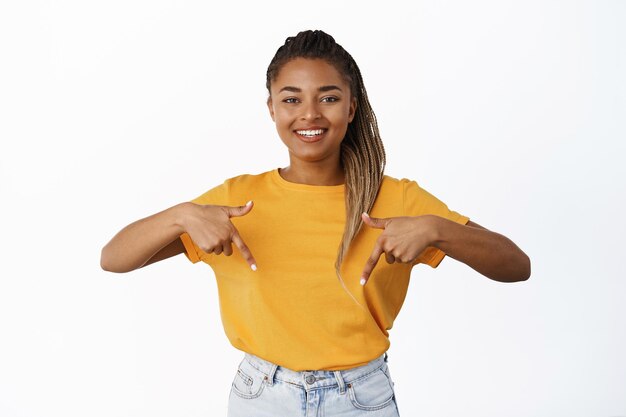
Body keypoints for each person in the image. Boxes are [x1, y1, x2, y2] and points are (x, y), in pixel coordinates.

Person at [101, 29, 531, 417]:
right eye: (291, 99)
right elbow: (114, 258)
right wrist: (181, 215)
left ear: (351, 106)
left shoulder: (396, 198)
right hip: (261, 398)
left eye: (328, 97)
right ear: (271, 109)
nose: (309, 114)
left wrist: (437, 229)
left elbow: (516, 265)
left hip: (361, 400)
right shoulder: (235, 201)